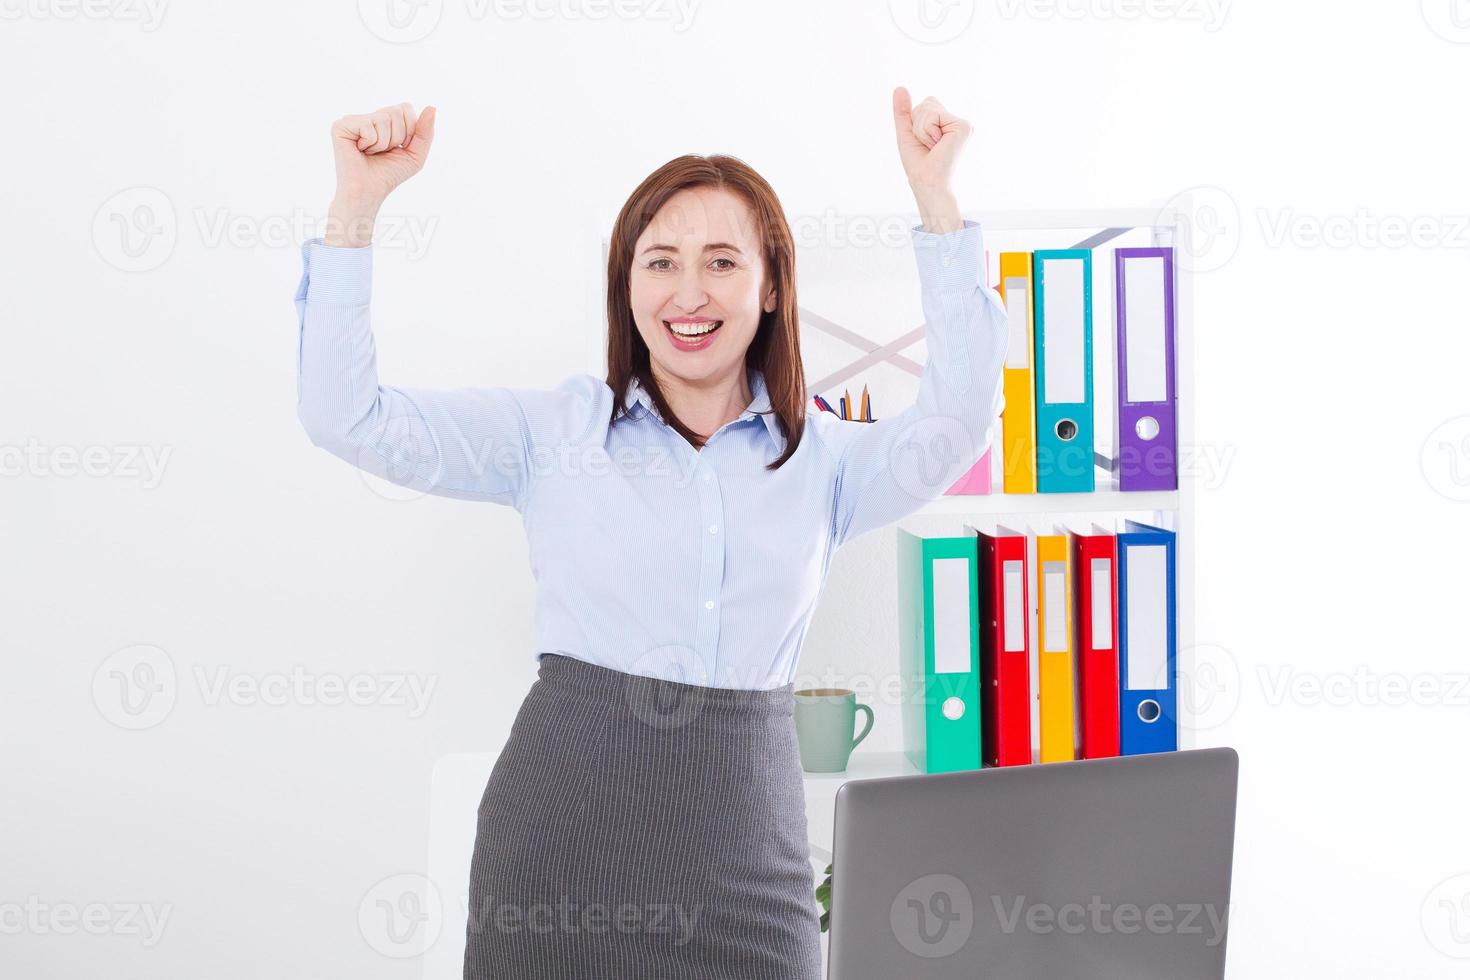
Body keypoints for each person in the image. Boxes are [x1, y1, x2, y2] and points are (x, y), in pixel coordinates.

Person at [294, 88, 1006, 979]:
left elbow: (960, 421)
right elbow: (345, 416)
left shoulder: (827, 461)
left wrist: (938, 205)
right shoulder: (552, 435)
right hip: (557, 863)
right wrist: (354, 213)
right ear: (625, 284)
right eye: (659, 262)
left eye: (720, 261)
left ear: (772, 282)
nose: (689, 293)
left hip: (751, 865)